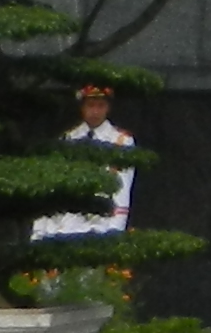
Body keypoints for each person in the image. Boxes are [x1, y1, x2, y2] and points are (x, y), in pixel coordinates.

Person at [31, 82, 138, 245]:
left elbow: (122, 187)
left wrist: (116, 228)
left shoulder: (120, 141)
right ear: (82, 107)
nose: (95, 111)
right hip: (67, 221)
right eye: (90, 105)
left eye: (101, 105)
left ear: (108, 108)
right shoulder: (69, 138)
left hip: (101, 220)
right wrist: (41, 228)